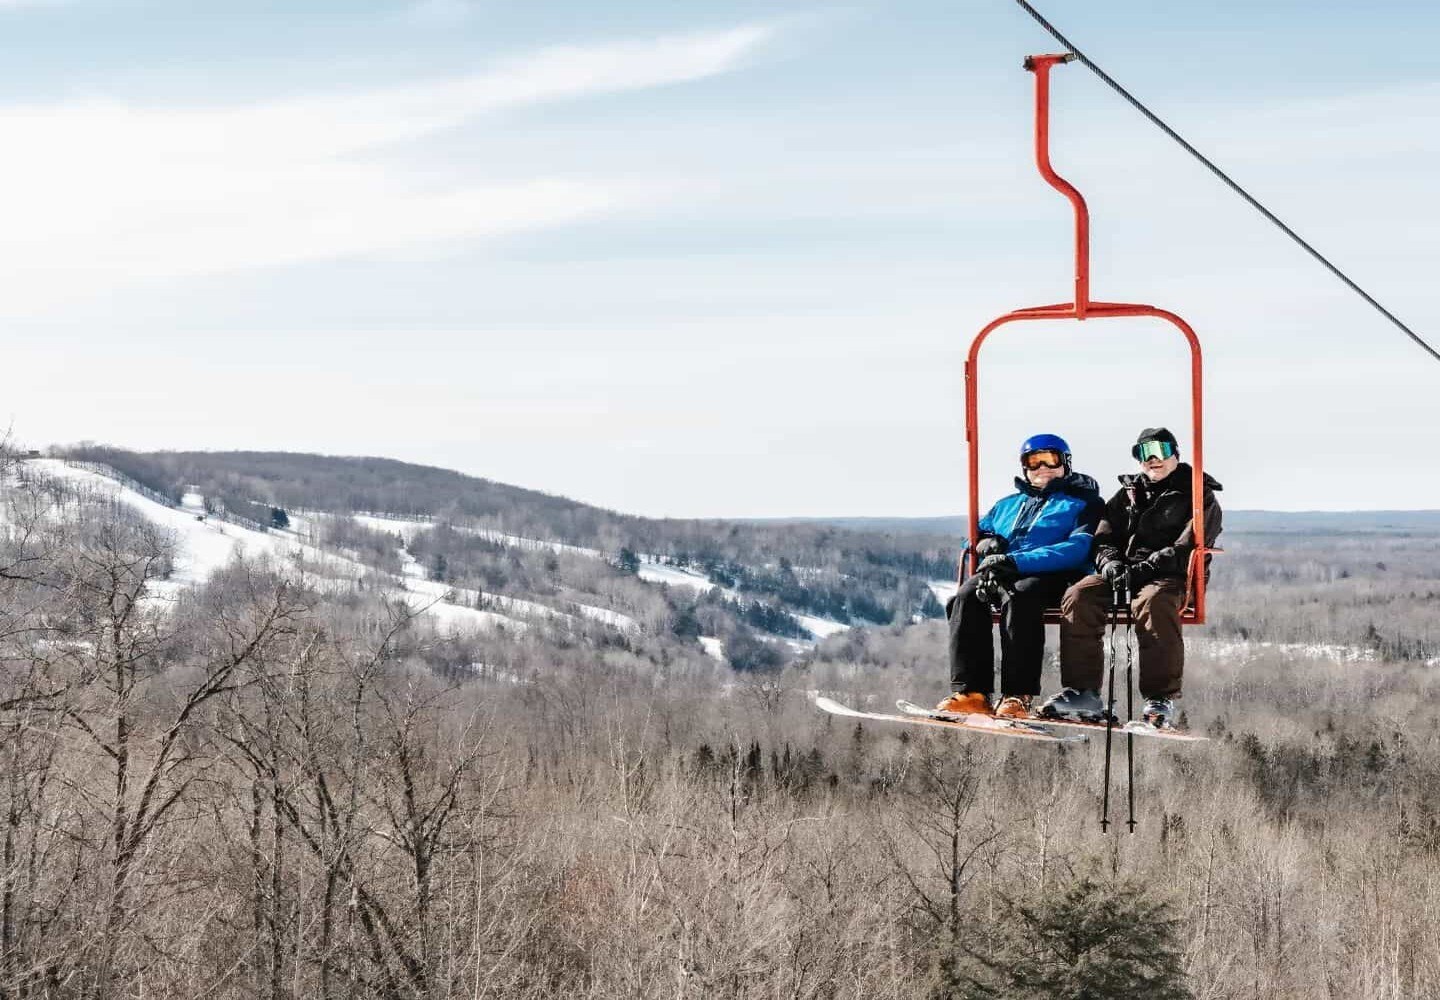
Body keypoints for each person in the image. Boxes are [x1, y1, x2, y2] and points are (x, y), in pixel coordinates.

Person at [1040, 427, 1222, 728]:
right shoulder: (1128, 493)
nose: (1152, 459)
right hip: (1125, 572)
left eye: (1160, 451)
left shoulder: (1198, 494)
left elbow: (1187, 546)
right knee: (1079, 595)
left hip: (1169, 576)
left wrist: (1146, 568)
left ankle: (1159, 698)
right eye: (1144, 453)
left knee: (1154, 602)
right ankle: (1083, 692)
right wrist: (1110, 563)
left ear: (1175, 454)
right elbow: (1103, 535)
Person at [937, 434, 1104, 719]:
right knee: (965, 597)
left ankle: (1017, 694)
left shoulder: (1083, 503)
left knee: (1021, 596)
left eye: (1050, 459)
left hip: (1052, 573)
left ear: (1065, 463)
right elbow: (975, 534)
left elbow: (1078, 547)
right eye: (1033, 461)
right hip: (1003, 569)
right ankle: (973, 692)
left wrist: (1017, 561)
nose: (1042, 468)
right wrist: (985, 543)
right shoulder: (1007, 504)